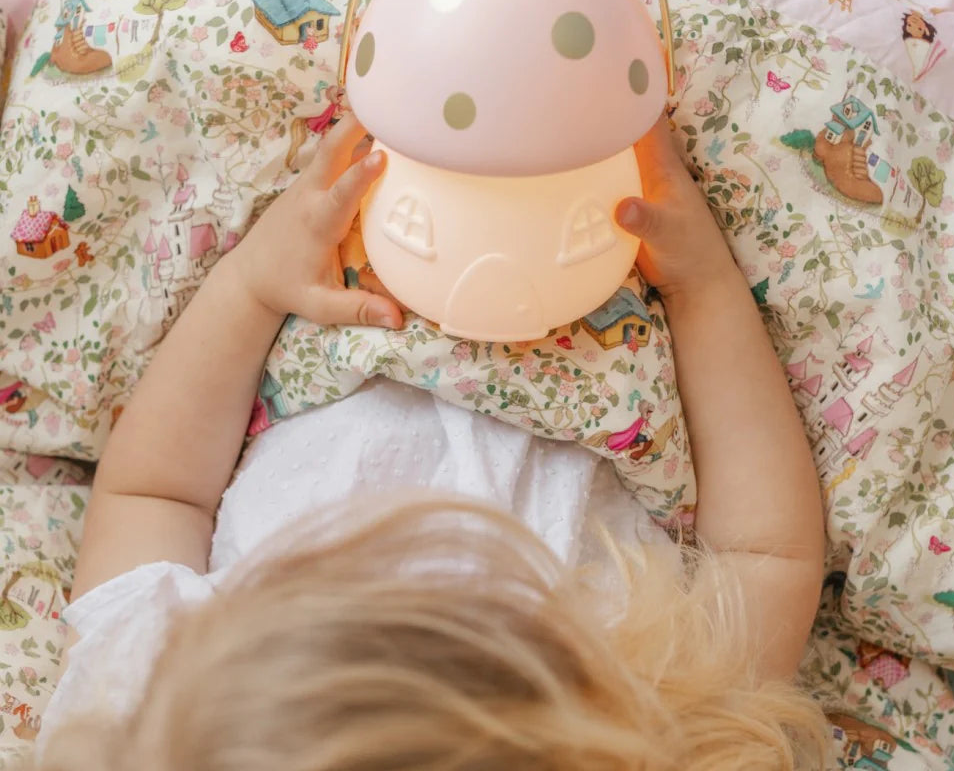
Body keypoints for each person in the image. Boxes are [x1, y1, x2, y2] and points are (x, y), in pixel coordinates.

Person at [35, 113, 828, 769]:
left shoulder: (153, 704)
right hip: (609, 338)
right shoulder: (666, 721)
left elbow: (155, 490)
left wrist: (252, 286)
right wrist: (702, 287)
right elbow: (764, 554)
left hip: (339, 321)